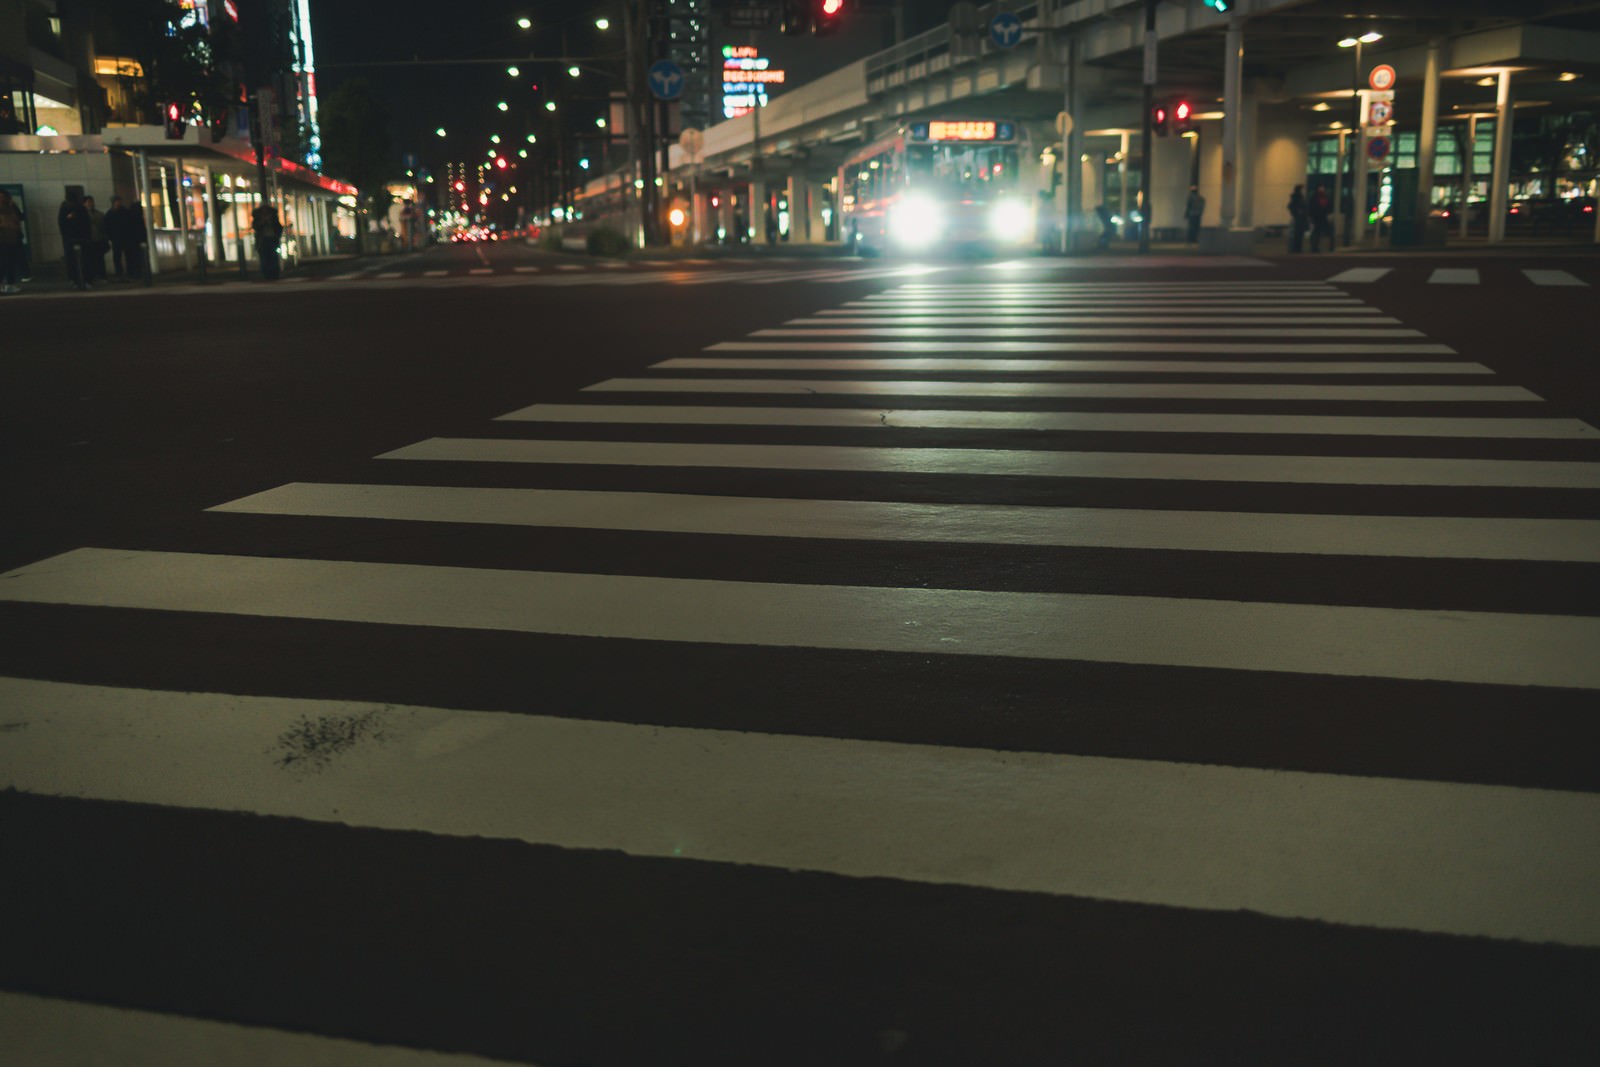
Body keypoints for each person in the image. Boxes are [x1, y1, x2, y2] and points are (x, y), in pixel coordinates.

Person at [105, 196, 145, 281]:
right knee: (119, 256)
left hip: (123, 238)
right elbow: (107, 226)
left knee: (126, 256)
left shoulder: (121, 212)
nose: (118, 203)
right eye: (117, 201)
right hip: (118, 238)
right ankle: (121, 273)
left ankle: (127, 272)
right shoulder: (114, 213)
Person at [57, 190, 91, 289]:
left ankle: (75, 281)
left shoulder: (64, 208)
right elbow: (86, 224)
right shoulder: (81, 208)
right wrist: (88, 237)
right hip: (82, 237)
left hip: (70, 238)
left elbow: (61, 224)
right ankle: (85, 280)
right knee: (84, 260)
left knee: (72, 260)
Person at [0, 188, 23, 294]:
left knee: (10, 262)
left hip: (12, 238)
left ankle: (10, 284)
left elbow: (20, 217)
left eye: (3, 197)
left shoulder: (11, 208)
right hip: (3, 239)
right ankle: (5, 284)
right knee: (3, 262)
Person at [252, 201, 283, 280]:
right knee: (265, 257)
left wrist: (277, 235)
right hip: (263, 240)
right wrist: (263, 223)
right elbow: (255, 227)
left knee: (273, 257)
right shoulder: (258, 218)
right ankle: (266, 274)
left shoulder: (273, 218)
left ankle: (274, 273)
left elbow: (279, 228)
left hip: (272, 239)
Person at [83, 195, 108, 285]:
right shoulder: (82, 215)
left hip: (98, 240)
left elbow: (104, 228)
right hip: (89, 241)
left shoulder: (99, 214)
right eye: (88, 202)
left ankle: (101, 276)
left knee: (99, 260)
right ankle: (94, 277)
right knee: (91, 261)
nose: (90, 204)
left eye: (91, 202)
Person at [1308, 184, 1334, 252]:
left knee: (1329, 232)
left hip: (1323, 218)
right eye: (1321, 188)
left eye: (1322, 188)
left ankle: (1330, 247)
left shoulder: (1326, 197)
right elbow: (1311, 208)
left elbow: (1329, 206)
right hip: (1316, 218)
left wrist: (1329, 214)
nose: (1322, 189)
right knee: (1316, 233)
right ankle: (1314, 247)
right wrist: (1311, 217)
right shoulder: (1314, 197)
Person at [1287, 185, 1308, 253]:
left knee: (1299, 234)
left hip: (1301, 218)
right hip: (1298, 219)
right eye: (1302, 189)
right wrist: (1297, 211)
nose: (1303, 191)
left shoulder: (1300, 197)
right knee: (1297, 234)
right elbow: (1290, 206)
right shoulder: (1297, 197)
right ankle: (1296, 248)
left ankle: (1297, 248)